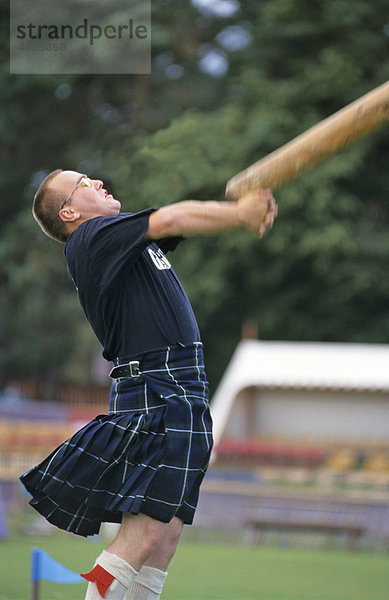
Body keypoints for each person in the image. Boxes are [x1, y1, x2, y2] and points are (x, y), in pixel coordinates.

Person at [20, 169, 277, 600]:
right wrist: (240, 214)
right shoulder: (92, 237)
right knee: (143, 536)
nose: (98, 183)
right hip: (156, 389)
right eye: (84, 183)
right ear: (69, 212)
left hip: (178, 388)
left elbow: (178, 222)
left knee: (164, 539)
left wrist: (233, 213)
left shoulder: (119, 240)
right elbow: (172, 219)